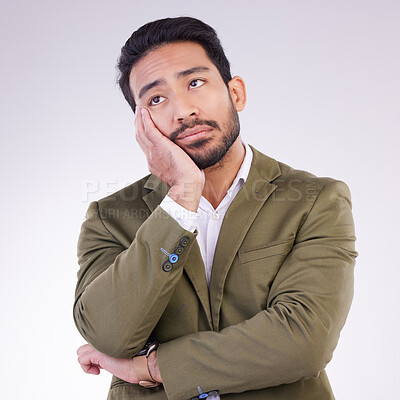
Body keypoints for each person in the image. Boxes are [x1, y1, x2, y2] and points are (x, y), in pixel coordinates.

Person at [74, 16, 357, 400]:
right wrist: (183, 195)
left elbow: (305, 341)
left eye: (195, 83)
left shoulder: (316, 200)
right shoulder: (110, 218)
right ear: (142, 124)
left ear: (235, 92)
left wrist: (152, 367)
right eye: (156, 99)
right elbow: (108, 333)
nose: (183, 111)